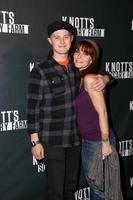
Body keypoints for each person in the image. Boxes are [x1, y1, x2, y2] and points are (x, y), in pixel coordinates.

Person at [27, 21, 111, 200]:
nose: (62, 41)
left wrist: (105, 78)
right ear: (50, 40)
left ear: (72, 39)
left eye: (66, 37)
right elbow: (32, 108)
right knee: (55, 191)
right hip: (52, 140)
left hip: (75, 139)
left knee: (70, 187)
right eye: (57, 37)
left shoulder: (77, 66)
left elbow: (97, 73)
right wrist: (35, 142)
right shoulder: (40, 71)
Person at [74, 40, 116, 199]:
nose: (79, 56)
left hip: (98, 142)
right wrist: (106, 77)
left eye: (85, 54)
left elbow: (103, 112)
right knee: (97, 186)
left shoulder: (91, 78)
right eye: (77, 51)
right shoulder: (81, 76)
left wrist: (105, 143)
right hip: (88, 140)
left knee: (100, 188)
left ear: (92, 59)